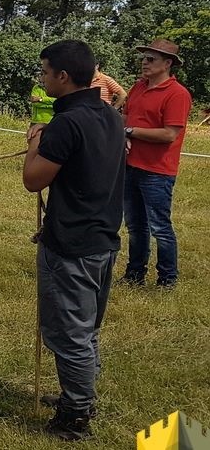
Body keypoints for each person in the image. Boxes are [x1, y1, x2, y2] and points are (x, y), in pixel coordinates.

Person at [22, 39, 124, 442]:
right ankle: (78, 394)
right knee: (87, 329)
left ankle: (76, 414)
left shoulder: (66, 123)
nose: (43, 77)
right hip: (101, 237)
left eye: (45, 71)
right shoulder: (110, 116)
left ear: (63, 76)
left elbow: (33, 181)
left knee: (68, 333)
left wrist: (34, 140)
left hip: (71, 245)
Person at [120, 38, 193, 289]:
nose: (144, 63)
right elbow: (125, 116)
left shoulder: (178, 94)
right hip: (131, 166)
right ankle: (134, 275)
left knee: (160, 227)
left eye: (151, 59)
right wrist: (122, 131)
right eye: (143, 58)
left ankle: (167, 279)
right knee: (135, 226)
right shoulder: (138, 87)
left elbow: (169, 134)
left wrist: (129, 131)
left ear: (168, 64)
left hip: (157, 172)